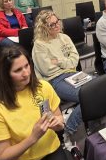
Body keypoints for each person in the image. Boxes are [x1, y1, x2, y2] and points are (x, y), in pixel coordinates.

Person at [32, 10, 83, 143]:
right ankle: (68, 130)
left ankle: (94, 122)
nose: (56, 26)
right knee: (88, 96)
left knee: (99, 87)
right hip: (55, 80)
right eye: (51, 25)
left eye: (57, 22)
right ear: (43, 28)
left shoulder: (64, 37)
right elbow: (48, 69)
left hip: (73, 74)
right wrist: (66, 63)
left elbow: (75, 60)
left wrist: (59, 61)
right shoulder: (39, 44)